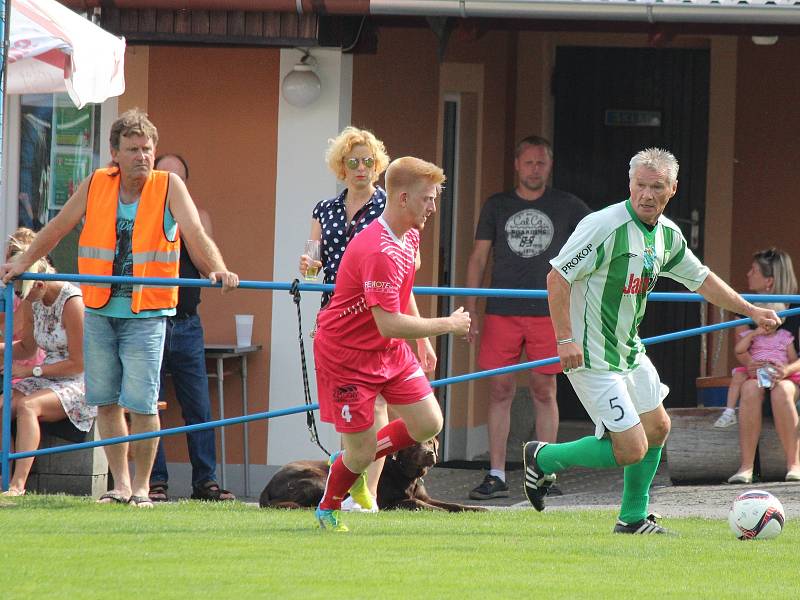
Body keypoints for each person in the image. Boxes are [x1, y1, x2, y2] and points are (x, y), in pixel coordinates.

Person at [521, 147, 780, 534]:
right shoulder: (603, 225)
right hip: (591, 355)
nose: (646, 194)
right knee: (631, 448)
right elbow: (557, 277)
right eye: (640, 185)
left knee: (658, 427)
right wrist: (564, 339)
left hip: (629, 350)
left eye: (656, 186)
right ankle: (544, 459)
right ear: (629, 183)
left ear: (672, 189)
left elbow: (702, 279)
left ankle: (632, 519)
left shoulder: (667, 235)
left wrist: (752, 311)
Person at [0, 108, 239, 508]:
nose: (142, 156)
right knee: (106, 402)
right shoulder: (97, 184)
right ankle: (121, 486)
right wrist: (23, 263)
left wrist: (219, 269)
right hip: (99, 309)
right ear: (115, 152)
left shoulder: (169, 186)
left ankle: (143, 489)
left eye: (147, 148)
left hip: (147, 314)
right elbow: (58, 227)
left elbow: (195, 233)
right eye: (132, 149)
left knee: (143, 405)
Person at [312, 156, 470, 531]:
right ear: (401, 198)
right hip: (347, 355)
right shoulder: (377, 249)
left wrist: (424, 340)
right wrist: (446, 323)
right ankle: (329, 505)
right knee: (362, 451)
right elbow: (388, 322)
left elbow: (402, 291)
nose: (433, 207)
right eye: (427, 199)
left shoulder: (410, 234)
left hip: (387, 350)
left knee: (429, 422)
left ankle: (350, 459)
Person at [299, 127, 436, 512]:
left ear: (379, 167)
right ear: (340, 167)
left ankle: (366, 492)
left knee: (385, 418)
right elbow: (314, 263)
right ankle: (351, 481)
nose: (360, 168)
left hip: (382, 320)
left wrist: (421, 339)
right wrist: (310, 265)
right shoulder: (325, 209)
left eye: (368, 161)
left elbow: (402, 284)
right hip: (342, 319)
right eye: (352, 161)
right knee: (363, 422)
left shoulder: (392, 210)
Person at [464, 135, 590, 500]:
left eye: (542, 163)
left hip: (549, 312)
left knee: (544, 389)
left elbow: (595, 249)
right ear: (517, 165)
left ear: (550, 167)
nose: (535, 169)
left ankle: (544, 473)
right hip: (502, 309)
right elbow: (477, 258)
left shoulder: (570, 206)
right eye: (529, 162)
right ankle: (497, 474)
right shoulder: (497, 205)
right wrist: (470, 307)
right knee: (500, 389)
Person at [147, 154, 234, 502]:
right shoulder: (140, 216)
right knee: (148, 405)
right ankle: (155, 482)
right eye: (164, 177)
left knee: (198, 406)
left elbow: (202, 257)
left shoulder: (197, 218)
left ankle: (206, 482)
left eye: (177, 180)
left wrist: (179, 216)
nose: (170, 184)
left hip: (185, 323)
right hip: (150, 321)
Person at [0, 233, 93, 496]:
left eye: (23, 293)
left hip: (78, 381)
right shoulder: (33, 299)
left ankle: (18, 484)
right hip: (46, 376)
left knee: (29, 406)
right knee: (2, 404)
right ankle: (3, 477)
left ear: (40, 283)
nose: (22, 298)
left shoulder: (72, 302)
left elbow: (78, 364)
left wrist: (31, 371)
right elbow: (28, 347)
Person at [727, 248, 800, 483]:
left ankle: (794, 464)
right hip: (756, 375)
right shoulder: (744, 307)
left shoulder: (797, 308)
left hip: (790, 375)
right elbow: (741, 350)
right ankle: (746, 468)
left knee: (781, 391)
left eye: (754, 270)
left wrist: (786, 371)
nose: (748, 274)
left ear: (769, 281)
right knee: (748, 389)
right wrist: (751, 364)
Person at [0, 228, 45, 383]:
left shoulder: (30, 293)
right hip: (12, 359)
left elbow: (9, 329)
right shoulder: (12, 294)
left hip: (26, 366)